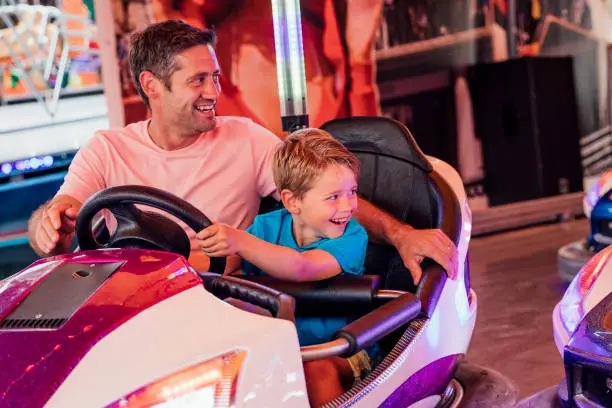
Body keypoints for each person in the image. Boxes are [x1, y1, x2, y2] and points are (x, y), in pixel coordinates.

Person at [27, 20, 456, 287]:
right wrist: (50, 228)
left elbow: (321, 193)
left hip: (221, 296)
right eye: (198, 81)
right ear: (152, 85)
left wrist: (401, 234)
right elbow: (60, 213)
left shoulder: (244, 139)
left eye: (215, 76)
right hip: (135, 302)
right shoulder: (107, 149)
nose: (214, 92)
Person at [196, 128, 374, 406]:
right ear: (293, 201)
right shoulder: (267, 226)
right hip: (282, 349)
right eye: (333, 197)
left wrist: (239, 240)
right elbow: (222, 267)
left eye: (352, 192)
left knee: (315, 369)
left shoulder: (353, 237)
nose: (348, 206)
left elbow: (301, 267)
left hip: (342, 349)